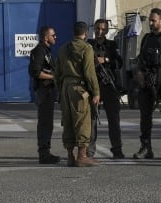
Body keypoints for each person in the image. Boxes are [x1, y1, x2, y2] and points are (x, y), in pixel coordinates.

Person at [133, 8, 161, 160]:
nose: (151, 23)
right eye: (150, 21)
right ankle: (146, 148)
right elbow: (141, 58)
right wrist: (139, 72)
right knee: (145, 117)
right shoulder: (146, 38)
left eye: (154, 20)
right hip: (148, 81)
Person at [54, 21, 100, 167]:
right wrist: (96, 92)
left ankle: (70, 156)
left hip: (65, 88)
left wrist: (61, 88)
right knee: (82, 121)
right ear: (85, 33)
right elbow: (89, 73)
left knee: (67, 120)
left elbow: (57, 73)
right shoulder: (87, 48)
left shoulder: (62, 49)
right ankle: (82, 156)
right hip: (79, 89)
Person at [86, 19, 125, 159]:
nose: (100, 32)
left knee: (114, 120)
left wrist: (106, 60)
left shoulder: (112, 45)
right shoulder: (88, 45)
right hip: (93, 86)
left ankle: (117, 149)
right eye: (97, 29)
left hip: (109, 86)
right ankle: (89, 151)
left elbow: (119, 62)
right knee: (91, 120)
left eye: (103, 29)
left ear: (107, 30)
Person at [27, 26, 61, 164]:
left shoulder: (46, 50)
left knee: (48, 123)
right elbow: (35, 72)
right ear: (46, 37)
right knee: (45, 124)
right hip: (43, 91)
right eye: (53, 35)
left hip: (48, 91)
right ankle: (44, 154)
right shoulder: (39, 51)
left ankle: (46, 152)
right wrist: (53, 77)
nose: (55, 37)